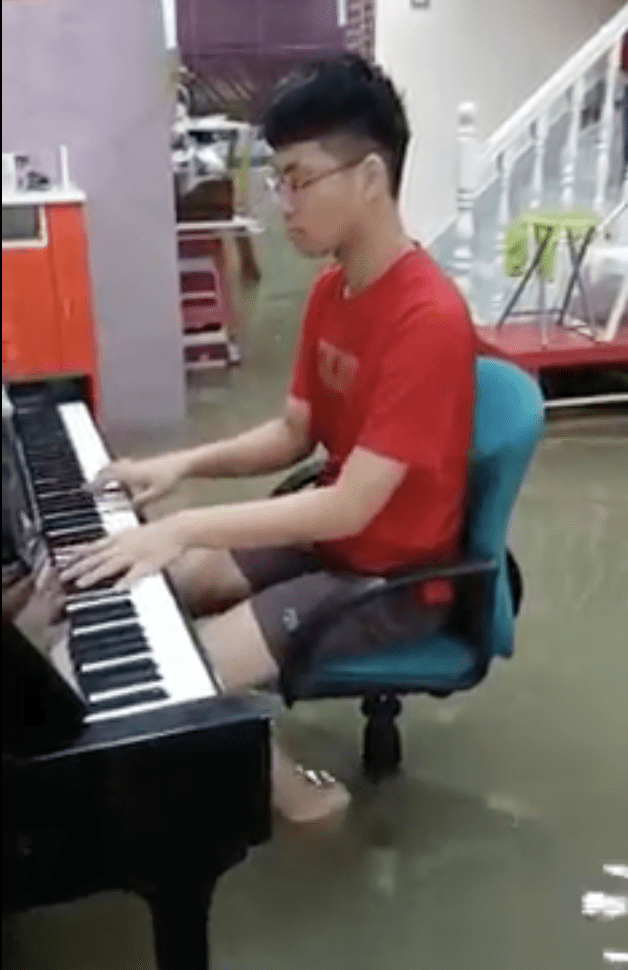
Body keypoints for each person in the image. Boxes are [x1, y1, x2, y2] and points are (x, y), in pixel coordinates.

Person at [62, 55, 477, 824]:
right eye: (278, 179)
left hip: (393, 578)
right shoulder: (332, 288)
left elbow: (353, 507)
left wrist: (186, 521)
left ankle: (316, 813)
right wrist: (175, 466)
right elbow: (294, 433)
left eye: (298, 178)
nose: (281, 204)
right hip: (331, 541)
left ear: (370, 177)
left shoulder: (429, 318)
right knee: (150, 582)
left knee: (189, 675)